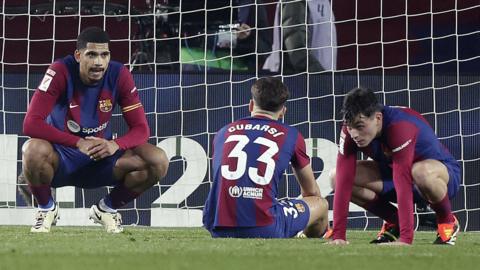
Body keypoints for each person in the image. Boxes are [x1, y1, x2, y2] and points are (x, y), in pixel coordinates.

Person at [22, 26, 169, 233]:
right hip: (61, 159)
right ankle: (46, 210)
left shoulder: (119, 74)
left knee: (158, 160)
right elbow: (31, 123)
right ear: (78, 55)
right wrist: (78, 142)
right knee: (32, 150)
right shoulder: (60, 71)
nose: (99, 62)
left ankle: (107, 209)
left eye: (104, 54)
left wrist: (114, 144)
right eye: (91, 54)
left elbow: (141, 129)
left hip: (101, 159)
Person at [329, 87, 460, 245]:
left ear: (378, 118)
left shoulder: (400, 126)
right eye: (350, 127)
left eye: (360, 126)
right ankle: (394, 221)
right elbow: (344, 179)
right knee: (336, 177)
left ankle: (447, 220)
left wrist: (406, 239)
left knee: (421, 172)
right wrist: (338, 236)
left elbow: (403, 180)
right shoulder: (350, 131)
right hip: (395, 175)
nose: (354, 133)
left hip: (440, 178)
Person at [203, 77, 329, 238]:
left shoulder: (224, 132)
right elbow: (311, 191)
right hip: (264, 226)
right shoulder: (291, 135)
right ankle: (311, 240)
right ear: (283, 111)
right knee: (321, 204)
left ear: (250, 105)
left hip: (216, 226)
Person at [263, 0, 337, 74]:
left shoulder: (324, 2)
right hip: (296, 80)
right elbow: (296, 49)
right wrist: (322, 76)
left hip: (319, 78)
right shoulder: (295, 2)